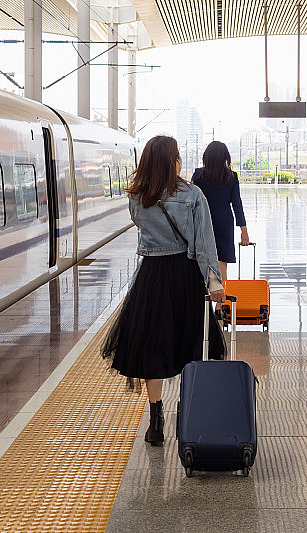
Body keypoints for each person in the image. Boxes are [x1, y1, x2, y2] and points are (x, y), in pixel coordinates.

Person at [101, 135, 226, 446]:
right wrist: (214, 284)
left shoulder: (137, 197)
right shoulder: (193, 195)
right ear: (173, 160)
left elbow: (142, 229)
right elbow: (205, 245)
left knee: (152, 346)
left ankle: (155, 418)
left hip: (152, 277)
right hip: (184, 275)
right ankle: (187, 414)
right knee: (189, 343)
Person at [191, 141, 249, 283]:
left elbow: (191, 200)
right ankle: (220, 302)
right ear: (225, 157)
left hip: (202, 220)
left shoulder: (199, 175)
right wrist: (244, 230)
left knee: (202, 257)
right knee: (222, 259)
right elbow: (237, 204)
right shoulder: (231, 176)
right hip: (224, 221)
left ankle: (205, 298)